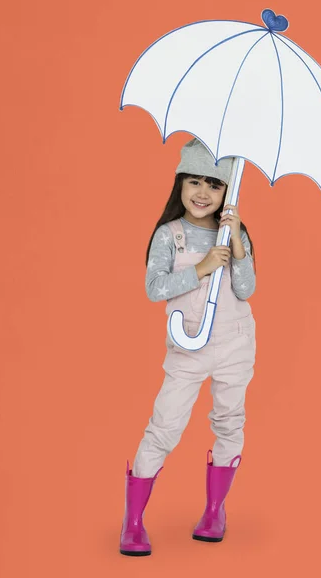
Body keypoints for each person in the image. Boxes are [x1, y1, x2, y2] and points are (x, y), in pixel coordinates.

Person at [120, 138, 257, 556]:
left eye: (214, 185)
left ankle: (215, 511)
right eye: (194, 181)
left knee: (229, 421)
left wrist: (235, 245)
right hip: (188, 346)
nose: (203, 193)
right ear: (180, 184)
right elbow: (154, 288)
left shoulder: (236, 232)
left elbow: (246, 288)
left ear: (227, 192)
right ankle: (134, 520)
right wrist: (201, 268)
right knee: (165, 425)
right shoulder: (170, 235)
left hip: (235, 344)